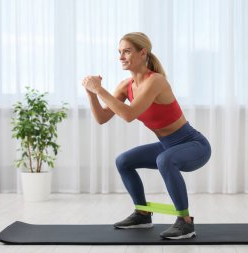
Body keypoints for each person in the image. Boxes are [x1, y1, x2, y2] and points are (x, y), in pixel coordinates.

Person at [82, 32, 211, 240]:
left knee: (164, 160)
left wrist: (99, 89)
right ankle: (142, 214)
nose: (121, 57)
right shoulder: (126, 86)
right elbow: (102, 118)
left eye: (126, 51)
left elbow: (129, 114)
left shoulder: (156, 81)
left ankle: (185, 223)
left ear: (143, 53)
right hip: (168, 145)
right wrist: (91, 94)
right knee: (123, 161)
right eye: (119, 52)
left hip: (194, 145)